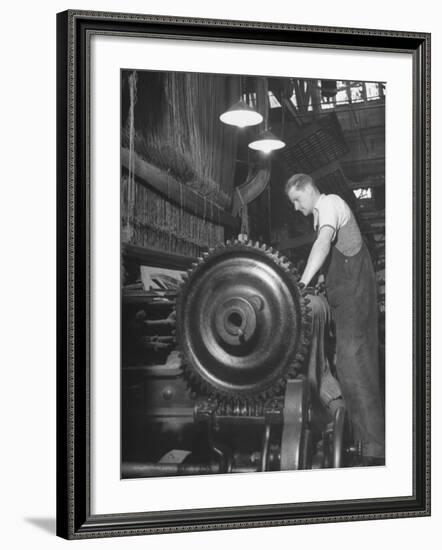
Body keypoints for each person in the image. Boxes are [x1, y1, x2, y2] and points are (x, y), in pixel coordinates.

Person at [285, 173, 385, 465]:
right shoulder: (321, 214)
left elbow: (323, 244)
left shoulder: (329, 204)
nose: (295, 207)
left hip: (355, 296)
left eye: (296, 199)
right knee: (347, 363)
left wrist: (301, 284)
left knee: (355, 364)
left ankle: (375, 450)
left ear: (308, 190)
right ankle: (359, 440)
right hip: (346, 301)